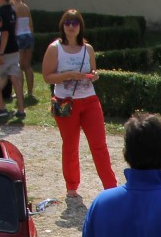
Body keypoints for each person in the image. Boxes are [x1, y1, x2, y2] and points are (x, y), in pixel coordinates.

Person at [43, 10, 117, 197]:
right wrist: (68, 75)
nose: (70, 26)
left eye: (74, 23)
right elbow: (47, 77)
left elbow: (92, 70)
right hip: (66, 102)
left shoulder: (87, 48)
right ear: (62, 26)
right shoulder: (54, 48)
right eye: (67, 22)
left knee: (99, 145)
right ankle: (72, 186)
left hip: (89, 100)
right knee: (70, 145)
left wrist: (94, 76)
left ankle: (111, 187)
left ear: (80, 26)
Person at [0, 0, 24, 120]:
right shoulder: (13, 10)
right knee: (14, 78)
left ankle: (1, 107)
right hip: (14, 47)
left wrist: (1, 53)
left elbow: (4, 33)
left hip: (3, 50)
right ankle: (21, 109)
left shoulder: (0, 13)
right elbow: (14, 29)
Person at [9, 0, 36, 101]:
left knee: (18, 65)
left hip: (19, 36)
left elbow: (14, 25)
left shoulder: (15, 8)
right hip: (28, 36)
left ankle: (19, 91)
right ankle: (30, 92)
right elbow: (30, 24)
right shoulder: (25, 7)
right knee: (27, 65)